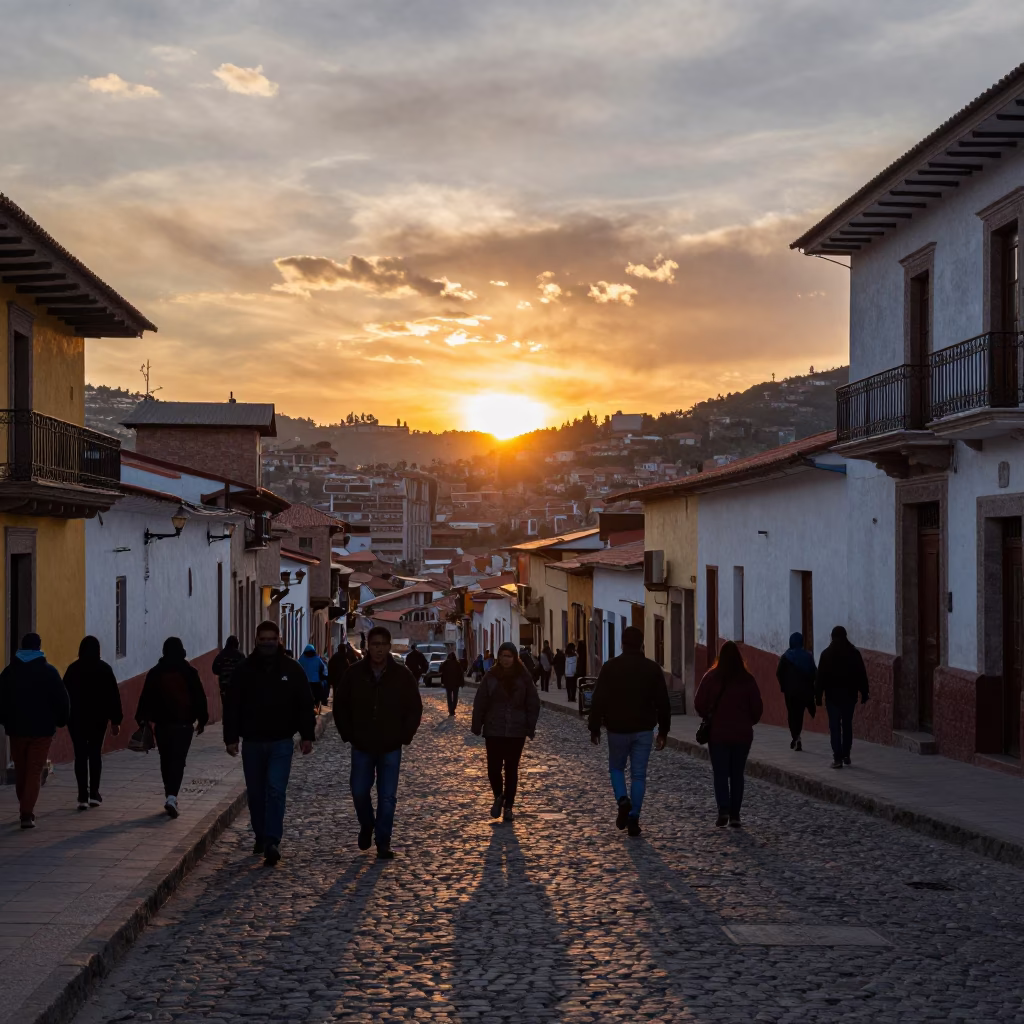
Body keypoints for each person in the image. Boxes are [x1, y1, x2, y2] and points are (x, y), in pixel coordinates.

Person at [224, 621, 316, 866]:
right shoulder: (244, 670)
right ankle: (261, 834)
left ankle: (272, 840)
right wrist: (231, 737)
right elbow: (232, 705)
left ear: (279, 639)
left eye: (271, 638)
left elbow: (304, 704)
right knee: (256, 794)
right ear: (256, 640)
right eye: (263, 639)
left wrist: (307, 735)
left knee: (275, 790)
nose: (267, 643)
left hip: (281, 742)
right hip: (253, 742)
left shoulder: (292, 669)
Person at [334, 626, 423, 859]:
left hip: (391, 745)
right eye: (375, 644)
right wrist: (348, 734)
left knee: (387, 796)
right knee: (359, 791)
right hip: (362, 745)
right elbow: (340, 705)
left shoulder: (402, 675)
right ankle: (367, 823)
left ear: (389, 646)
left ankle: (383, 840)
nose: (379, 649)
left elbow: (414, 707)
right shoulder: (353, 674)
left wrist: (405, 735)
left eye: (383, 644)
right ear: (367, 647)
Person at [588, 626, 671, 837]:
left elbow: (598, 699)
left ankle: (622, 800)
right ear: (642, 644)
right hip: (643, 729)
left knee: (616, 768)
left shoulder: (610, 667)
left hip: (617, 728)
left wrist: (594, 727)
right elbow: (663, 702)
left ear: (622, 644)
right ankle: (634, 817)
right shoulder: (652, 669)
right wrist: (663, 730)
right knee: (639, 775)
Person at [0, 633, 70, 828]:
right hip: (42, 731)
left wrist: (5, 720)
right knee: (34, 771)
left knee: (22, 769)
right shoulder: (49, 672)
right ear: (39, 648)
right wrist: (61, 720)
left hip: (16, 730)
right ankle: (27, 812)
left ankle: (25, 806)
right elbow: (62, 700)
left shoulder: (9, 672)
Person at [136, 637, 209, 819]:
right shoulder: (189, 671)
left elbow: (145, 698)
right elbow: (199, 697)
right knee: (178, 760)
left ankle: (169, 793)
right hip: (184, 725)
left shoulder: (156, 672)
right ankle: (172, 796)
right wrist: (202, 719)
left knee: (165, 759)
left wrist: (143, 720)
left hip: (162, 725)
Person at [693, 640, 763, 828]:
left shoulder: (711, 677)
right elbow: (757, 709)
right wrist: (747, 721)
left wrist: (708, 714)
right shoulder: (748, 680)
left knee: (721, 773)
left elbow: (698, 702)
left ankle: (723, 810)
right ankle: (735, 815)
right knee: (737, 774)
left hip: (718, 734)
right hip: (742, 735)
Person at [471, 642, 540, 822]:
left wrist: (530, 725)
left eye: (509, 656)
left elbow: (533, 702)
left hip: (516, 731)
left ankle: (509, 807)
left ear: (514, 657)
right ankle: (498, 796)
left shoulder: (524, 677)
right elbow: (481, 701)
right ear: (498, 657)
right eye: (503, 656)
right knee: (493, 768)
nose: (505, 659)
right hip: (494, 729)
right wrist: (477, 724)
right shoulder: (490, 676)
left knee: (511, 769)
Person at [64, 636, 123, 810]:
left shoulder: (73, 670)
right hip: (98, 719)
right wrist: (116, 721)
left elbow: (63, 695)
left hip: (76, 720)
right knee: (95, 753)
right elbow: (114, 696)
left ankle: (82, 795)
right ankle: (94, 794)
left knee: (80, 756)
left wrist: (62, 717)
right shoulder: (104, 669)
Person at [815, 626, 869, 769]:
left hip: (832, 698)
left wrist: (818, 696)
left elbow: (820, 677)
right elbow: (861, 675)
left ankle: (837, 757)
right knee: (847, 725)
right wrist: (864, 692)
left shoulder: (826, 654)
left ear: (832, 636)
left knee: (834, 727)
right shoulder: (853, 653)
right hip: (849, 697)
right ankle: (846, 754)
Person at [776, 632, 816, 752]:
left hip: (790, 692)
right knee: (799, 714)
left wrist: (784, 686)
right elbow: (814, 673)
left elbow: (779, 673)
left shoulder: (786, 656)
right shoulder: (808, 656)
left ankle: (796, 737)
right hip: (803, 692)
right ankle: (797, 735)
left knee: (792, 714)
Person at [212, 636, 245, 708]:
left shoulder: (221, 654)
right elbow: (245, 669)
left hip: (224, 685)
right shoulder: (240, 655)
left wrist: (222, 672)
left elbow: (214, 669)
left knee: (226, 705)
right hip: (237, 685)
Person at [441, 651, 463, 716]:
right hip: (456, 684)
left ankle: (451, 709)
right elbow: (461, 674)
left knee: (449, 697)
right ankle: (453, 708)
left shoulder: (446, 663)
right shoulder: (457, 664)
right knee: (455, 697)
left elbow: (440, 669)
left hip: (448, 683)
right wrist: (461, 683)